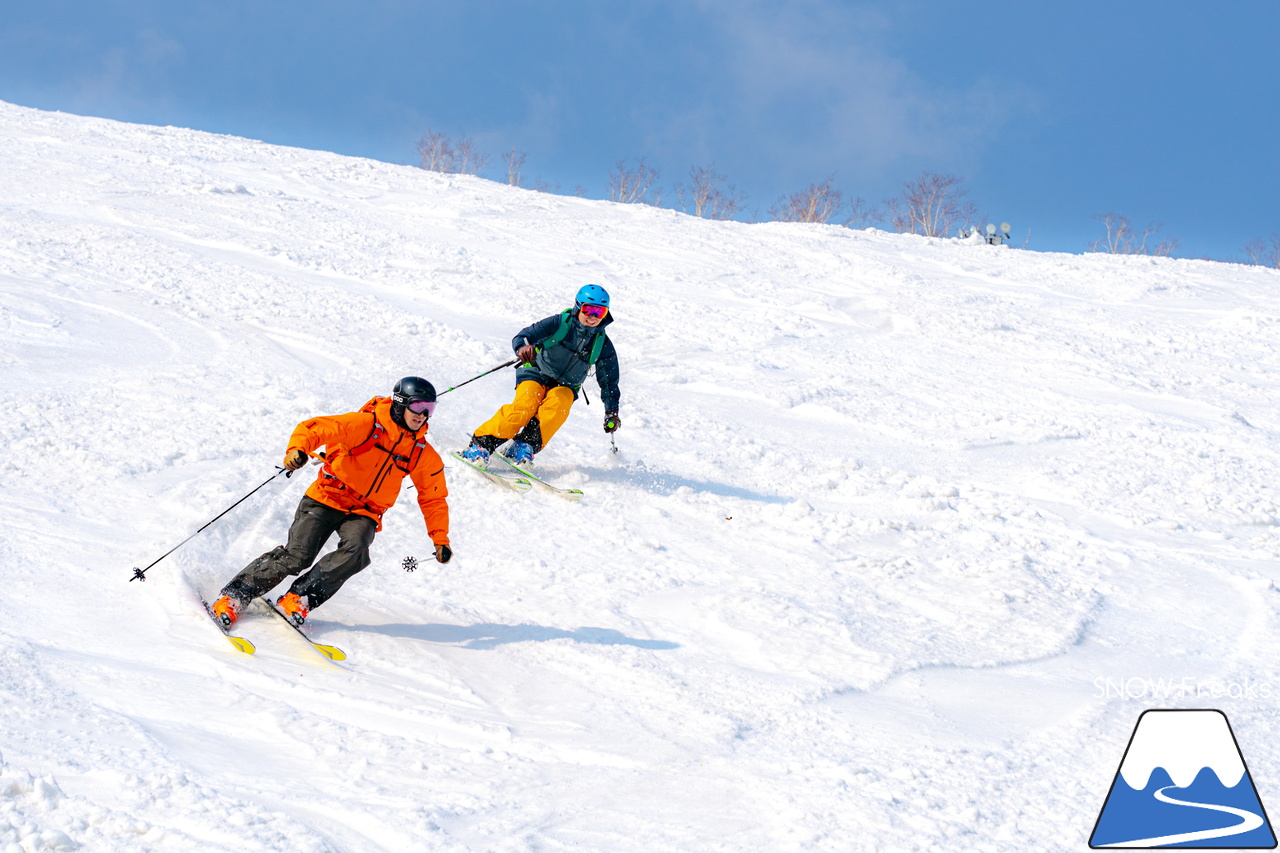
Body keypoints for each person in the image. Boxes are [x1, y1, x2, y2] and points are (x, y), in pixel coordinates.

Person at [211, 377, 452, 627]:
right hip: (327, 497)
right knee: (298, 556)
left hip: (364, 511)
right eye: (418, 406)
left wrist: (440, 539)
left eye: (430, 409)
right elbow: (316, 428)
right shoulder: (366, 425)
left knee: (357, 550)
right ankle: (235, 595)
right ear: (401, 404)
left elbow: (434, 497)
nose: (423, 415)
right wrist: (297, 449)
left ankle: (298, 598)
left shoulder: (420, 451)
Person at [460, 284, 621, 464]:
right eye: (588, 309)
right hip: (536, 372)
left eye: (599, 312)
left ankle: (523, 446)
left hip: (566, 386)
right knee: (525, 405)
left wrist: (611, 411)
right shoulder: (559, 323)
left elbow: (609, 381)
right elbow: (523, 336)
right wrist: (523, 347)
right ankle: (481, 444)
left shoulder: (603, 344)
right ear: (577, 306)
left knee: (558, 407)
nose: (592, 317)